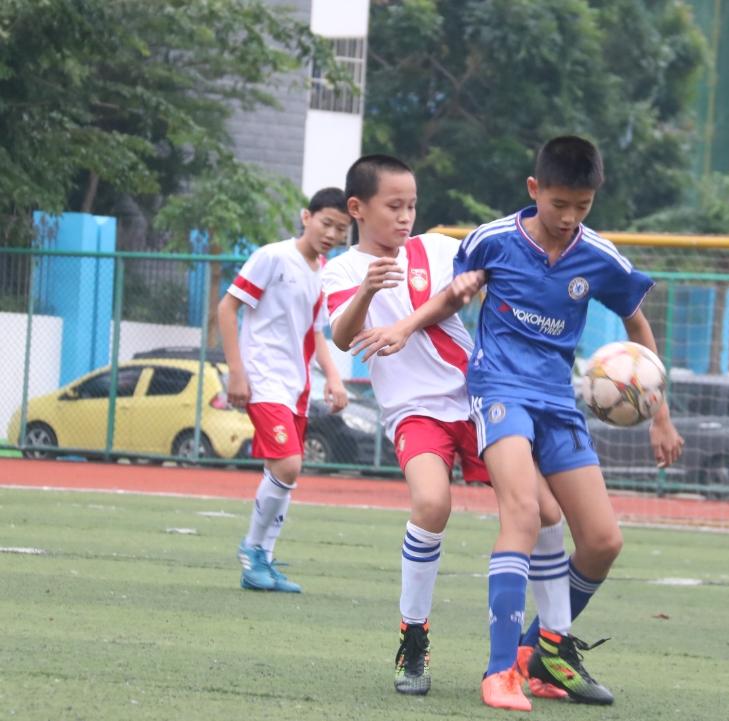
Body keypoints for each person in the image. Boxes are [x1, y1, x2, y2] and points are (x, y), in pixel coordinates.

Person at [352, 136, 684, 710]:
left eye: (582, 206)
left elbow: (637, 325)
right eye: (560, 204)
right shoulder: (493, 240)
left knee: (604, 541)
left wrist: (661, 413)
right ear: (535, 191)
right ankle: (500, 669)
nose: (569, 218)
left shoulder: (599, 257)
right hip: (499, 390)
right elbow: (455, 297)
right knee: (525, 513)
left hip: (557, 399)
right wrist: (407, 326)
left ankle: (543, 651)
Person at [324, 155, 568, 698]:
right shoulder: (341, 271)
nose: (406, 216)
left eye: (411, 205)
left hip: (478, 399)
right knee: (431, 504)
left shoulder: (436, 248)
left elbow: (470, 285)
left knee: (547, 511)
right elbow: (342, 338)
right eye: (394, 206)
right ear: (358, 209)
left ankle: (550, 648)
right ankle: (414, 635)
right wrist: (367, 291)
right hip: (415, 411)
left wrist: (441, 305)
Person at [218, 188, 350, 593]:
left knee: (284, 473)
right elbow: (227, 308)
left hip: (296, 386)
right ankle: (251, 550)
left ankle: (264, 562)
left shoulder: (321, 270)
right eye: (326, 223)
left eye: (342, 228)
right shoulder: (273, 256)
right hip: (263, 379)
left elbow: (316, 332)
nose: (332, 233)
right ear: (305, 216)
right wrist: (236, 372)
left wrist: (333, 377)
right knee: (289, 464)